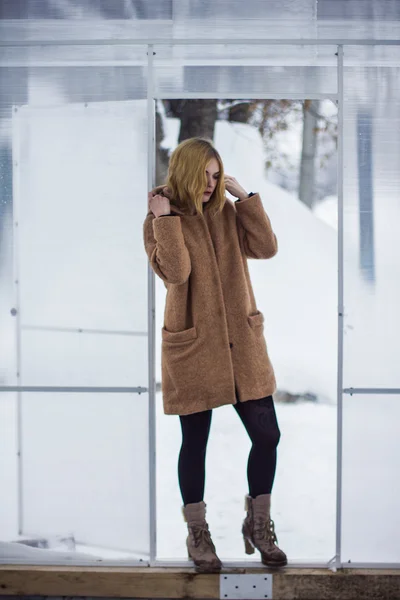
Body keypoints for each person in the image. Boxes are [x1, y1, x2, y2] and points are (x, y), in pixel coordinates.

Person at [143, 137, 287, 572]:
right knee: (195, 443)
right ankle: (198, 535)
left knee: (267, 436)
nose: (211, 183)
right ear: (184, 171)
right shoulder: (158, 218)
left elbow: (266, 248)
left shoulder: (227, 210)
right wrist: (166, 221)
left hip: (242, 343)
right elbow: (177, 273)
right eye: (204, 175)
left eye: (215, 174)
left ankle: (258, 525)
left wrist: (245, 198)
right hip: (194, 346)